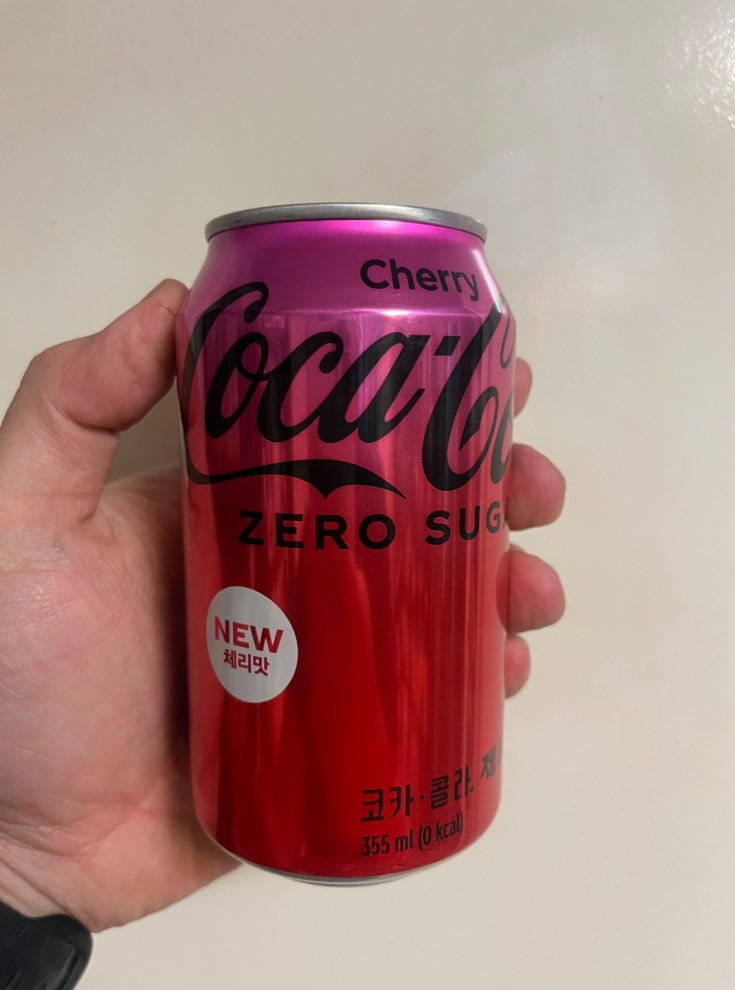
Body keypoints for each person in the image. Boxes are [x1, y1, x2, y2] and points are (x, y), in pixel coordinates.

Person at [0, 280, 565, 935]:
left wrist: (24, 868)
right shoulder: (249, 300)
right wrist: (23, 857)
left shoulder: (459, 301)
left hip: (434, 778)